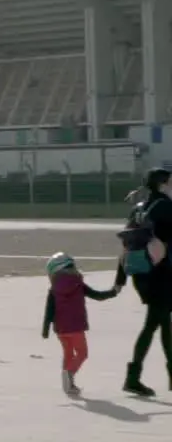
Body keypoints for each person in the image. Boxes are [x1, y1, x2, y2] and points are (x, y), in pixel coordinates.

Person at [114, 168, 172, 396]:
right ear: (162, 185)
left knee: (164, 324)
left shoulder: (139, 208)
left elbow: (126, 244)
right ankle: (132, 377)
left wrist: (120, 279)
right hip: (162, 276)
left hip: (143, 274)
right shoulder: (166, 207)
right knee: (152, 326)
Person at [42, 251, 118, 396]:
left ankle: (68, 384)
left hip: (60, 329)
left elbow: (49, 310)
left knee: (68, 353)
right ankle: (69, 374)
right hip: (75, 327)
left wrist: (45, 329)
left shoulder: (53, 289)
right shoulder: (78, 284)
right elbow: (97, 295)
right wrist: (113, 292)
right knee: (82, 353)